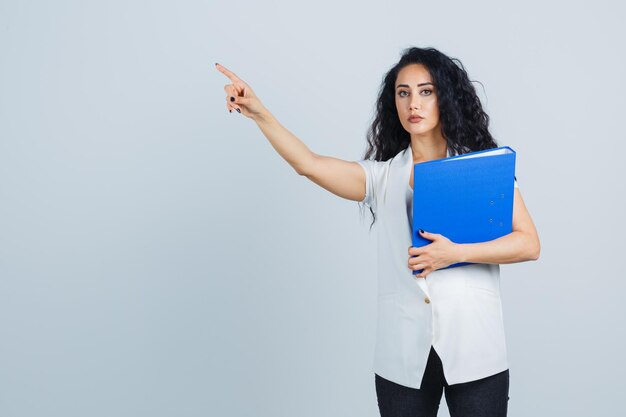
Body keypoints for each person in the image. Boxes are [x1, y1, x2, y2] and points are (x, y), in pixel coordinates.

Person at [215, 46, 540, 417]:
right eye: (403, 93)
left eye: (425, 91)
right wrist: (259, 113)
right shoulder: (382, 178)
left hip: (475, 349)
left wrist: (457, 253)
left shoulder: (483, 170)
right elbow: (308, 164)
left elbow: (529, 243)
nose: (412, 103)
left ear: (445, 97)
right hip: (402, 356)